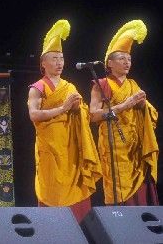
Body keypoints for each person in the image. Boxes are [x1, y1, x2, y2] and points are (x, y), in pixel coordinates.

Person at [27, 20, 101, 222]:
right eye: (54, 59)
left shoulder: (69, 86)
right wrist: (63, 108)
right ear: (43, 63)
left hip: (71, 148)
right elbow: (34, 114)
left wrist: (79, 109)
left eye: (61, 58)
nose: (59, 63)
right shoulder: (38, 87)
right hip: (50, 148)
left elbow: (85, 113)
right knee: (53, 191)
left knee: (77, 189)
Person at [89, 20, 158, 206]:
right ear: (109, 63)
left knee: (140, 190)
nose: (127, 62)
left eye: (129, 59)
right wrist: (124, 106)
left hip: (134, 146)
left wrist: (143, 105)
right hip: (113, 145)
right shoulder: (101, 85)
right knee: (118, 188)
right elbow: (93, 115)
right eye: (121, 59)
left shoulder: (133, 85)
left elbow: (151, 114)